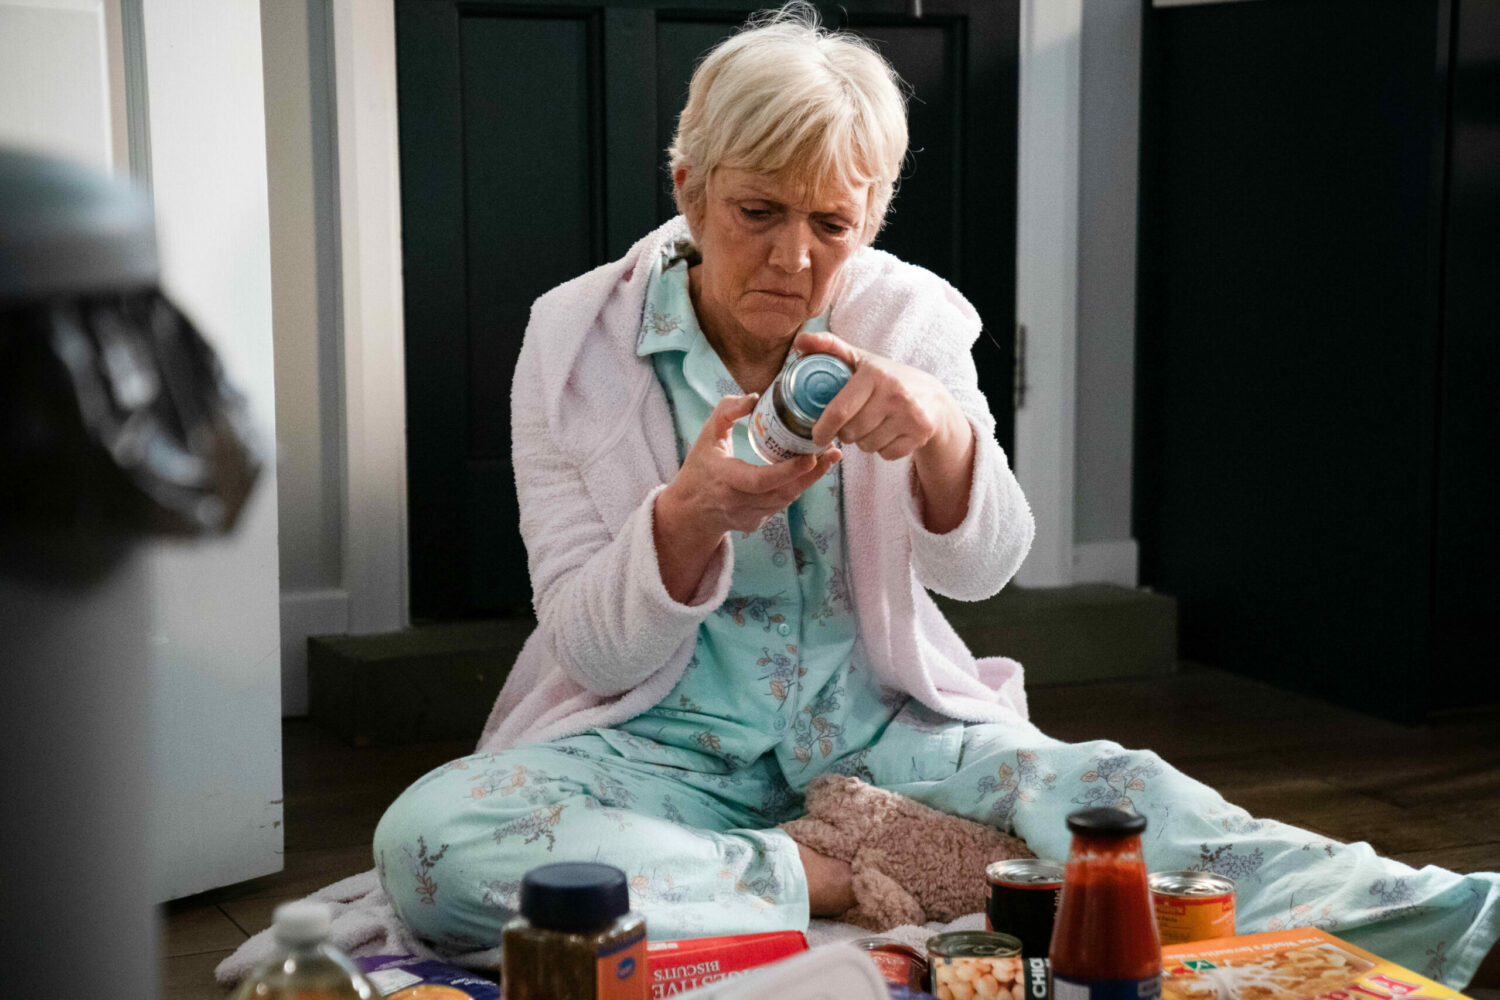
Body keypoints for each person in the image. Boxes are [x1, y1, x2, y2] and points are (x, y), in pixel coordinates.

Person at [373, 5, 1499, 987]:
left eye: (834, 224)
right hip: (652, 749)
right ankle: (839, 873)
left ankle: (1452, 917)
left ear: (872, 214)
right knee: (430, 843)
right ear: (688, 186)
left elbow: (984, 566)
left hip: (882, 736)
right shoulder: (575, 340)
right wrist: (689, 514)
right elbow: (590, 644)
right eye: (758, 212)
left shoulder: (907, 319)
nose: (796, 261)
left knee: (1125, 796)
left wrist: (944, 437)